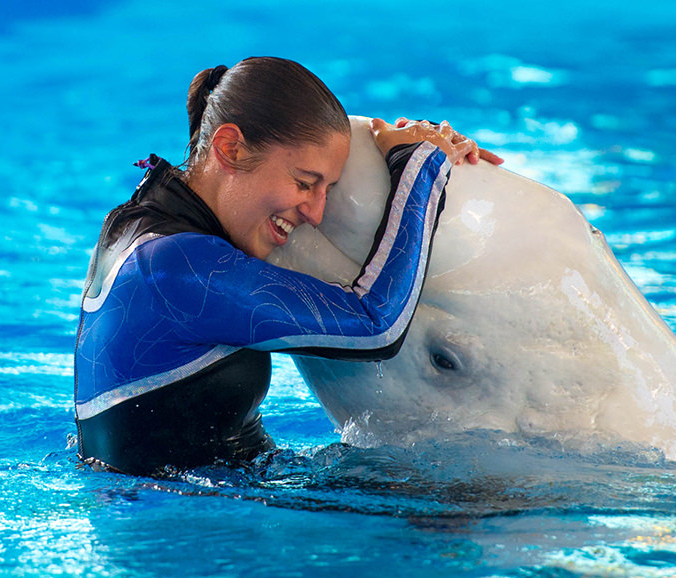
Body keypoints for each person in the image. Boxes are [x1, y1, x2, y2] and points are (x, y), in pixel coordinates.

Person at [73, 57, 501, 476]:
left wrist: (423, 152)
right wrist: (421, 169)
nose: (315, 213)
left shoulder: (143, 226)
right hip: (186, 527)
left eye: (327, 189)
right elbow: (376, 327)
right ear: (230, 149)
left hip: (209, 502)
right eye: (303, 183)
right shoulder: (171, 268)